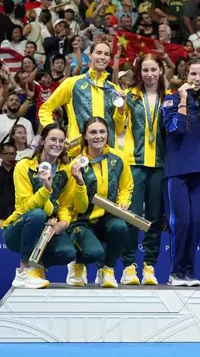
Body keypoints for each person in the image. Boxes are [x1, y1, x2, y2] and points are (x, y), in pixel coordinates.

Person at [1, 123, 85, 289]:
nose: (57, 144)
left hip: (47, 231)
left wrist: (63, 224)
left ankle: (36, 267)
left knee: (67, 252)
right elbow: (26, 206)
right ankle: (24, 270)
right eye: (53, 139)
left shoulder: (66, 171)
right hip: (18, 229)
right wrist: (46, 189)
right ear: (42, 141)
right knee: (38, 214)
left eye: (61, 141)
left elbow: (65, 206)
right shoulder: (24, 166)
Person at [65, 117, 132, 288]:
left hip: (108, 216)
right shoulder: (75, 163)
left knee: (120, 227)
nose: (98, 136)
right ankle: (77, 264)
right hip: (82, 219)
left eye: (102, 132)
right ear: (84, 136)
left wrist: (123, 203)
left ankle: (107, 270)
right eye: (93, 132)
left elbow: (126, 187)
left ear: (108, 134)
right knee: (94, 252)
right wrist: (80, 183)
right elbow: (76, 204)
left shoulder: (119, 157)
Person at [119, 54, 167, 286]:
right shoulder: (129, 96)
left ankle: (150, 266)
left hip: (160, 164)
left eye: (153, 69)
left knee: (155, 219)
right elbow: (118, 127)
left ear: (161, 70)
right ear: (139, 73)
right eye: (145, 70)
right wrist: (118, 108)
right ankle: (129, 266)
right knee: (132, 217)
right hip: (135, 164)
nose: (149, 74)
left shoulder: (169, 98)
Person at [162, 59, 200, 287]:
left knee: (194, 223)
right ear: (185, 74)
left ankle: (189, 269)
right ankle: (175, 271)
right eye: (193, 74)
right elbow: (175, 128)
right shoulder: (171, 98)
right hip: (177, 170)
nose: (197, 79)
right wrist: (182, 99)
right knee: (180, 222)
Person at [39, 42, 126, 153]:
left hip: (108, 154)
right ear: (90, 55)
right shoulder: (72, 83)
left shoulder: (114, 90)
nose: (102, 57)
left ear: (110, 59)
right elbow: (45, 109)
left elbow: (118, 129)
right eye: (98, 53)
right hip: (78, 153)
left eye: (106, 54)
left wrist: (121, 109)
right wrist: (55, 134)